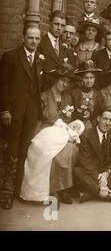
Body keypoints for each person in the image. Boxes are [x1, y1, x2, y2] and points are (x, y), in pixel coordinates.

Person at [0, 26, 43, 209]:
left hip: (31, 113)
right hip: (14, 113)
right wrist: (4, 110)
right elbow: (3, 85)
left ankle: (18, 190)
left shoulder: (40, 59)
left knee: (25, 151)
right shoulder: (11, 57)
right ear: (23, 37)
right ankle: (6, 193)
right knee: (12, 151)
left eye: (36, 38)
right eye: (30, 38)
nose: (34, 41)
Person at [20, 119, 85, 205]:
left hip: (59, 143)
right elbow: (53, 128)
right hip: (47, 140)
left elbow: (75, 139)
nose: (75, 126)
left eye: (77, 127)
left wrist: (70, 133)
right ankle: (51, 192)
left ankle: (60, 191)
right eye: (75, 124)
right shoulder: (62, 125)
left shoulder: (73, 133)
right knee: (41, 153)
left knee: (62, 157)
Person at [73, 109, 111, 204]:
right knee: (77, 171)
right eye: (105, 119)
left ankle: (91, 194)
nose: (108, 123)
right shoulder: (86, 135)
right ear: (98, 118)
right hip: (91, 172)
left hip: (106, 171)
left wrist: (106, 173)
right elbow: (85, 162)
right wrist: (99, 177)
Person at [39, 10, 75, 90]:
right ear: (50, 23)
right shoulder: (41, 43)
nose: (59, 28)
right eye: (56, 24)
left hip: (60, 91)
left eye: (62, 26)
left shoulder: (64, 46)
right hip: (44, 89)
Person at [39, 64, 77, 128]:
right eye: (62, 80)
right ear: (56, 79)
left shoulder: (68, 98)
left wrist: (68, 116)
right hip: (46, 132)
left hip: (62, 132)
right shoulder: (44, 96)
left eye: (67, 82)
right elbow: (39, 120)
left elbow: (68, 120)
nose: (65, 84)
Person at [71, 60, 105, 130]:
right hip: (76, 127)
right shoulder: (74, 93)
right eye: (86, 78)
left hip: (94, 127)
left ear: (95, 79)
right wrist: (80, 114)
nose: (89, 81)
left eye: (91, 77)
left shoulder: (98, 94)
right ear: (81, 79)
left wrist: (91, 116)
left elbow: (101, 112)